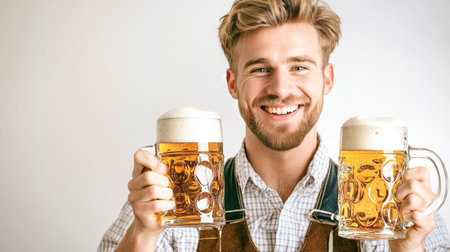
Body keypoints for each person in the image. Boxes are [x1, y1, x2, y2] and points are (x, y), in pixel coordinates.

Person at [98, 0, 450, 251]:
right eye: (260, 69)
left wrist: (408, 250)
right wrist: (143, 234)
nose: (281, 89)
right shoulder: (167, 198)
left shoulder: (397, 208)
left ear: (327, 79)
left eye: (299, 67)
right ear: (233, 83)